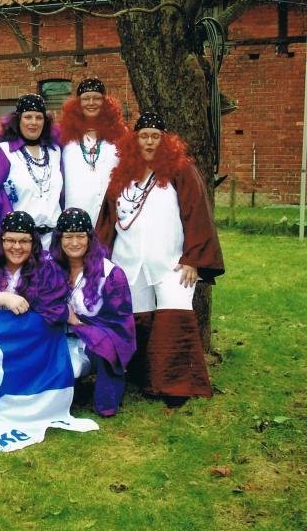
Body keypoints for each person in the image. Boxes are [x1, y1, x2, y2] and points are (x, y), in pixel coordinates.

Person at [96, 112, 225, 407]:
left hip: (172, 263)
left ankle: (175, 385)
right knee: (138, 320)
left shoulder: (181, 170)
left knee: (174, 317)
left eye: (156, 136)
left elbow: (197, 214)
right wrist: (101, 261)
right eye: (144, 136)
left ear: (165, 141)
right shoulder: (122, 174)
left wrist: (193, 259)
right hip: (128, 262)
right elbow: (107, 220)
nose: (150, 142)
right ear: (134, 140)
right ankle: (145, 377)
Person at [49, 208, 136, 417]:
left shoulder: (111, 273)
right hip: (57, 337)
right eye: (68, 237)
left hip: (91, 341)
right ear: (59, 239)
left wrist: (82, 326)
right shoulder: (49, 268)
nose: (75, 243)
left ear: (90, 238)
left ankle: (105, 399)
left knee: (105, 344)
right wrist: (63, 314)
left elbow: (120, 323)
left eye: (80, 236)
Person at [0, 94, 62, 249]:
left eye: (39, 117)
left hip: (52, 242)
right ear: (18, 120)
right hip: (19, 244)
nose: (34, 122)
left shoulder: (55, 152)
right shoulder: (2, 152)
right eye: (28, 117)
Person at [60, 78, 127, 224]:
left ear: (105, 103)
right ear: (77, 104)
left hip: (109, 218)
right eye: (86, 98)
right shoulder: (64, 136)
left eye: (97, 98)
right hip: (73, 220)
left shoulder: (120, 134)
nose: (91, 103)